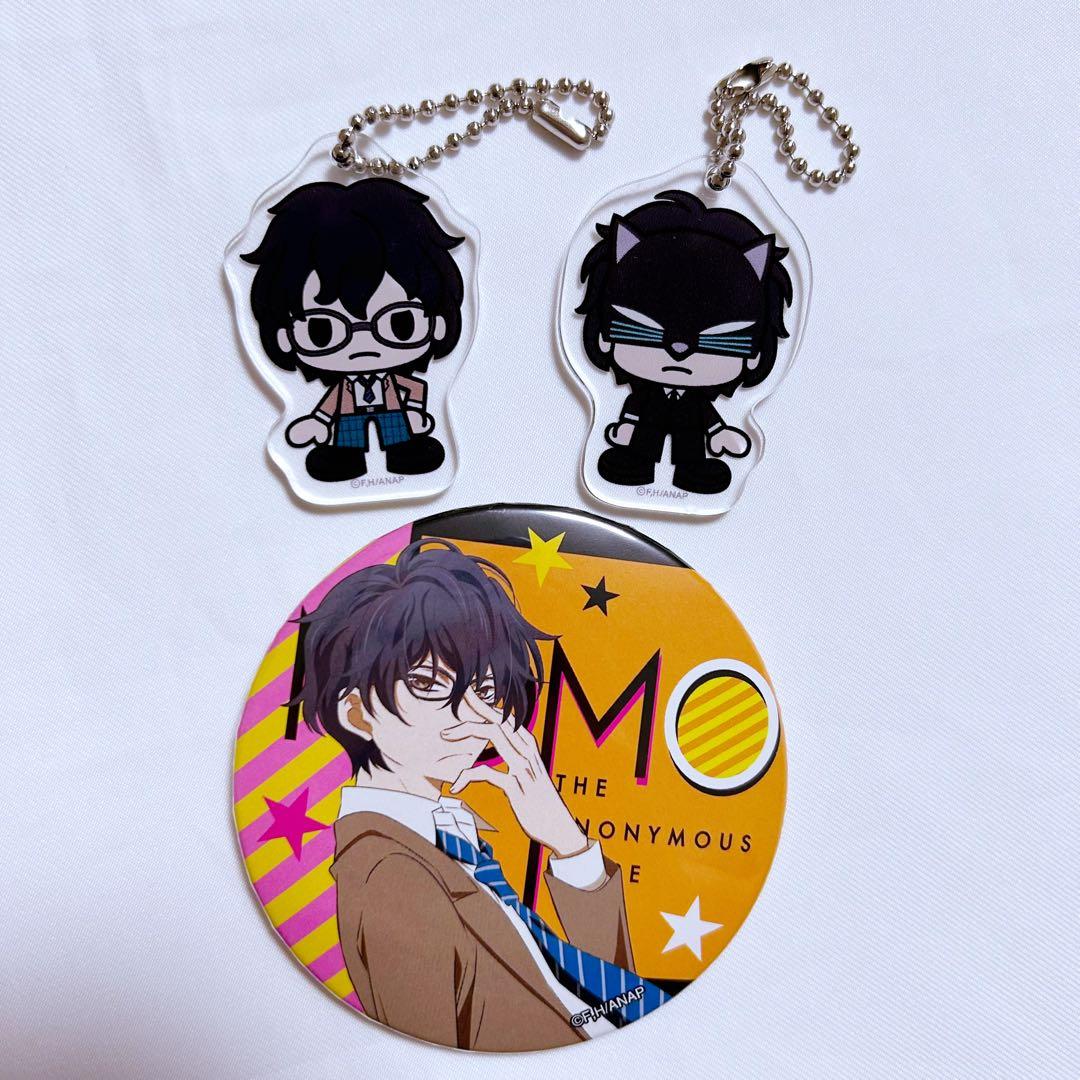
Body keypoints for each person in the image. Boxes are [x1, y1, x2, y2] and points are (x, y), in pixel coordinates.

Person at [296, 539, 668, 1049]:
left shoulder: (447, 841)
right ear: (358, 713)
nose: (475, 715)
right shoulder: (392, 873)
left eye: (487, 691)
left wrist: (567, 843)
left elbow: (616, 1003)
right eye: (430, 683)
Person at [242, 179, 464, 482]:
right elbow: (329, 403)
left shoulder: (392, 381)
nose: (363, 343)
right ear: (284, 337)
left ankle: (405, 451)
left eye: (400, 324)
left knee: (398, 436)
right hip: (349, 418)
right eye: (322, 331)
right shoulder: (343, 388)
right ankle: (345, 458)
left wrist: (414, 412)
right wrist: (319, 422)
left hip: (393, 414)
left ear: (436, 323)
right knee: (348, 439)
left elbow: (415, 389)